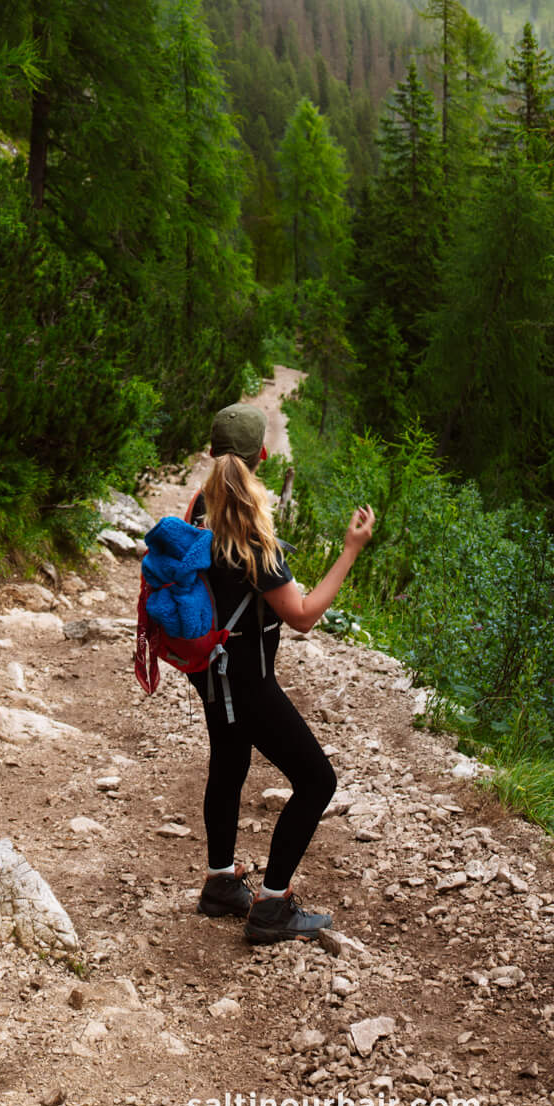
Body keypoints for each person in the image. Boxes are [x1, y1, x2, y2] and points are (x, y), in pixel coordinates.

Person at [189, 402, 375, 945]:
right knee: (318, 780)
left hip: (211, 672)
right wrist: (350, 551)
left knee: (228, 765)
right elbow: (303, 617)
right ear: (261, 456)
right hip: (248, 679)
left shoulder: (200, 506)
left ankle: (222, 883)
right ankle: (272, 906)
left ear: (211, 453)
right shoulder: (250, 530)